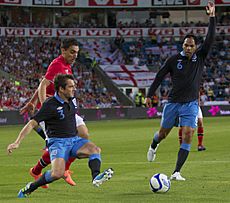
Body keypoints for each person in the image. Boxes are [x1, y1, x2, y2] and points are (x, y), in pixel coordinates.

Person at [7, 74, 114, 198]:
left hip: (74, 140)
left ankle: (96, 177)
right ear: (61, 89)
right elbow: (32, 123)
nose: (74, 89)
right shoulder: (50, 105)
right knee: (57, 174)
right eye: (70, 87)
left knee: (95, 150)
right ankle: (31, 187)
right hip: (58, 143)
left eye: (74, 86)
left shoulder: (72, 99)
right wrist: (17, 142)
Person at [145, 2, 215, 181]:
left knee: (188, 133)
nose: (189, 48)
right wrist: (149, 94)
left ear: (195, 47)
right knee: (162, 134)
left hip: (191, 104)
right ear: (182, 46)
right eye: (186, 45)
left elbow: (210, 39)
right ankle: (153, 145)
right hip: (173, 103)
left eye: (191, 45)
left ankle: (176, 171)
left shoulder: (200, 57)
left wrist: (212, 17)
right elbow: (159, 77)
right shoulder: (173, 60)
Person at [20, 38, 89, 187]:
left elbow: (42, 84)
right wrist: (44, 104)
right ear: (63, 50)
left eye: (76, 53)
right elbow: (44, 85)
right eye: (72, 52)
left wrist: (32, 102)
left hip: (66, 108)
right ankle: (38, 170)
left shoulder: (67, 66)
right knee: (60, 144)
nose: (75, 55)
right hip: (55, 112)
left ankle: (62, 169)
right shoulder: (57, 64)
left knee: (83, 134)